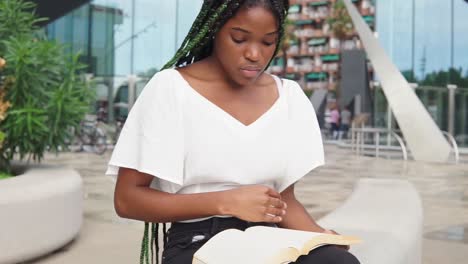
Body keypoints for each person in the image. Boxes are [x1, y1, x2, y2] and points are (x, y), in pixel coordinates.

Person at [106, 1, 360, 264]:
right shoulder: (171, 89)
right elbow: (127, 200)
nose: (254, 54)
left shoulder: (289, 97)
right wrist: (225, 202)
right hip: (197, 242)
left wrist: (320, 236)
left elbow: (284, 200)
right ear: (215, 28)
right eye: (239, 39)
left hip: (268, 239)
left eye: (268, 42)